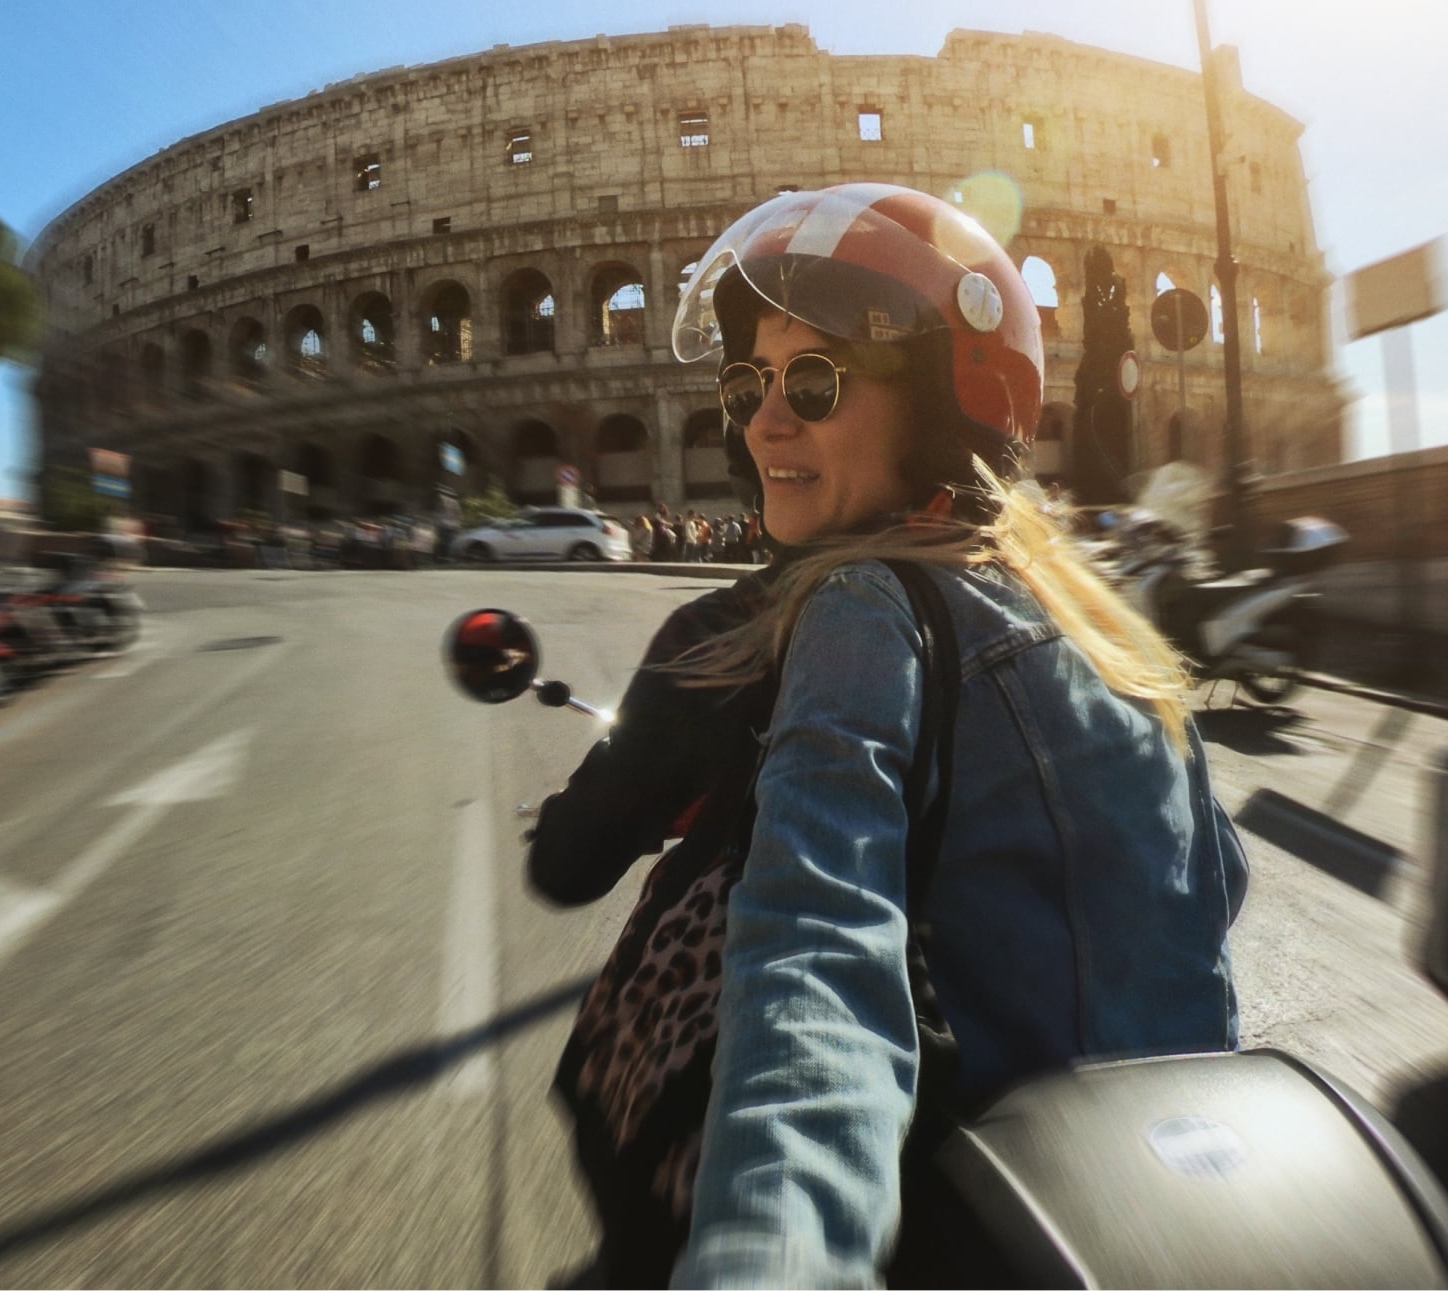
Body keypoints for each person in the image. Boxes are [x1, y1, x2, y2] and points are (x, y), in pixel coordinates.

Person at [532, 183, 1247, 1288]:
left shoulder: (859, 604)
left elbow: (817, 944)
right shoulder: (1092, 613)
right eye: (746, 382)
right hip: (1175, 1201)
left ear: (934, 406)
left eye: (813, 381)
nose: (762, 419)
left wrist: (769, 1257)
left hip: (961, 1213)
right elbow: (1215, 878)